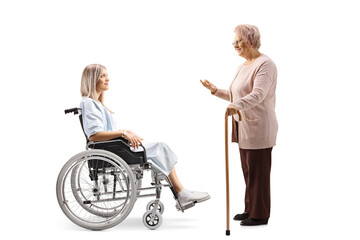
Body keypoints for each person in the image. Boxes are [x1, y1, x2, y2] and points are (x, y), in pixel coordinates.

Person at [80, 64, 210, 209]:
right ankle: (181, 192)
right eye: (103, 76)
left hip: (114, 147)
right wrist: (123, 133)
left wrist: (127, 132)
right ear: (92, 79)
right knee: (160, 147)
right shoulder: (89, 103)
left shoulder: (96, 103)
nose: (107, 78)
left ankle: (180, 191)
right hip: (111, 150)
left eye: (107, 75)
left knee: (159, 148)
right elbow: (94, 135)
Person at [200, 24, 278, 226]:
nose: (235, 44)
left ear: (250, 40)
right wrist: (216, 91)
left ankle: (260, 215)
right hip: (243, 127)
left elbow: (258, 94)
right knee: (248, 171)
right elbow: (238, 95)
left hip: (259, 127)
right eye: (233, 41)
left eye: (238, 41)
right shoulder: (244, 65)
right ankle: (250, 208)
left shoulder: (265, 64)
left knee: (258, 173)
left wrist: (236, 105)